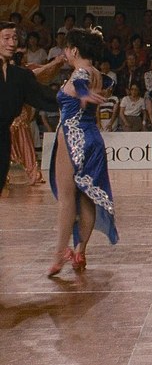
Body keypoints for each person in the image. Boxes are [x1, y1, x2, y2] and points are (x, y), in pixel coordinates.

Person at [48, 27, 118, 277]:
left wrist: (85, 93)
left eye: (67, 49)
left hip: (73, 137)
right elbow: (108, 84)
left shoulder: (80, 73)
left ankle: (59, 254)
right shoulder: (99, 74)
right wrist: (88, 94)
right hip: (93, 138)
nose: (65, 53)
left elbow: (79, 83)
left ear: (74, 50)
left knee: (67, 199)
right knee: (87, 196)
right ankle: (80, 251)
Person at [1, 22, 57, 196]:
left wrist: (76, 97)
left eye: (15, 38)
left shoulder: (19, 75)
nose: (12, 43)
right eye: (6, 38)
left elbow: (44, 97)